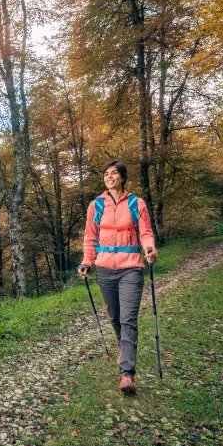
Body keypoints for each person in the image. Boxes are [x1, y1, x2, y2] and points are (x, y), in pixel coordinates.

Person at [78, 161, 157, 393]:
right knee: (114, 318)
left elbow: (145, 232)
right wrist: (86, 262)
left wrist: (150, 249)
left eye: (114, 173)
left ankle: (126, 374)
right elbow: (90, 237)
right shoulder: (96, 205)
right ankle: (125, 351)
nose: (110, 176)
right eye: (106, 174)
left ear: (123, 177)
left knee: (128, 319)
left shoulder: (136, 203)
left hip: (131, 267)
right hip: (104, 270)